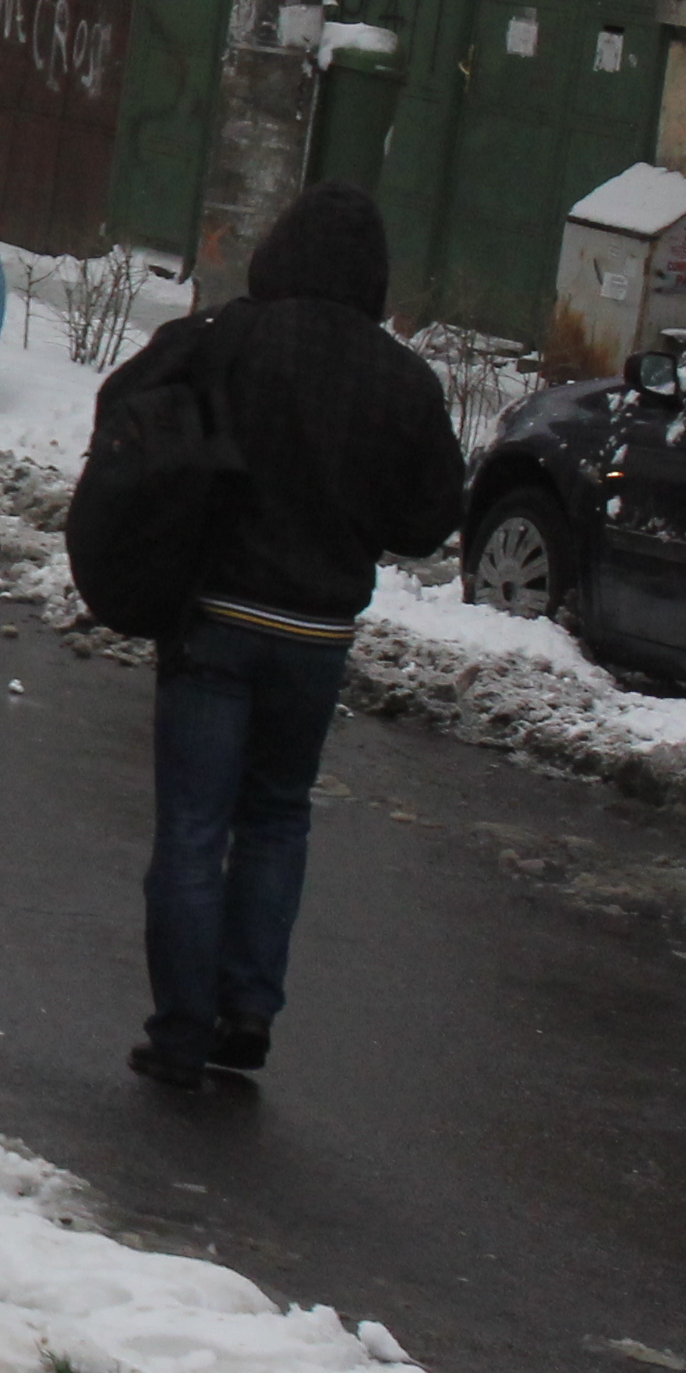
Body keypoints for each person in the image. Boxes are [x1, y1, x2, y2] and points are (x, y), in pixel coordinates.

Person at [99, 181, 461, 1092]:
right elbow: (429, 521)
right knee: (275, 816)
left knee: (193, 826)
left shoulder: (228, 340)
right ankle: (247, 1014)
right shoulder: (404, 381)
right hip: (317, 636)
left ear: (279, 253)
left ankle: (179, 1032)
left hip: (216, 620)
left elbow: (128, 406)